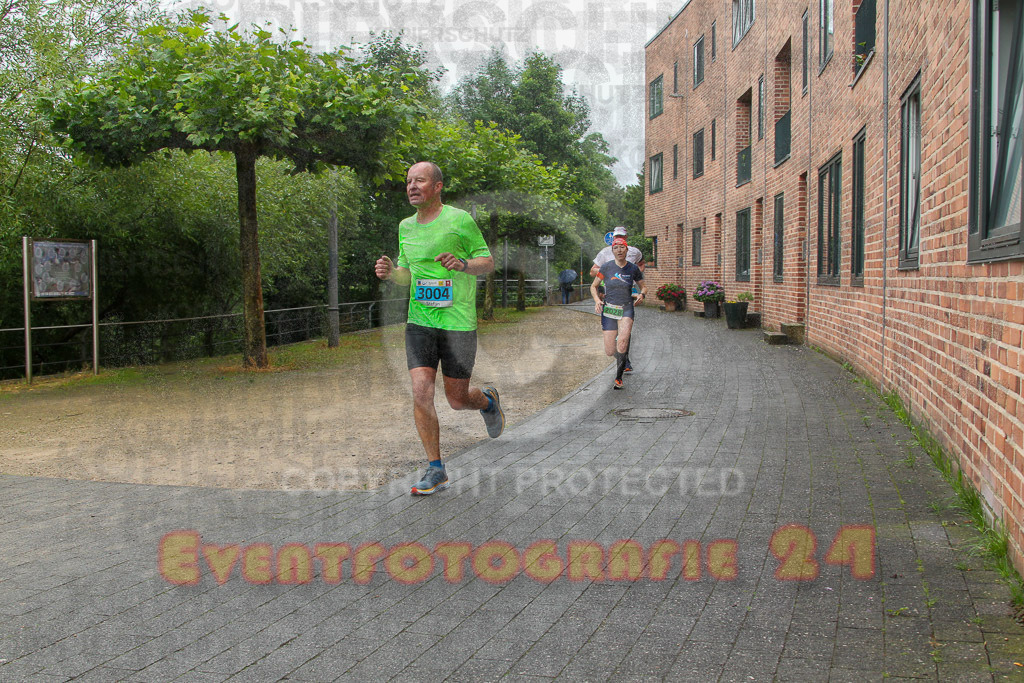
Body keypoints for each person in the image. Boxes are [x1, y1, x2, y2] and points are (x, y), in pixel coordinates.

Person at [375, 161, 505, 495]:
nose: (411, 186)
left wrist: (462, 264)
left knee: (457, 400)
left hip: (457, 324)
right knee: (420, 390)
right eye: (408, 181)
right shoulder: (405, 227)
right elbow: (408, 274)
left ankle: (488, 402)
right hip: (420, 322)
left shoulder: (459, 220)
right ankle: (436, 469)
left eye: (419, 180)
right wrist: (392, 272)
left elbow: (488, 263)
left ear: (437, 187)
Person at [590, 235, 647, 389]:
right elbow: (593, 286)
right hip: (609, 308)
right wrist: (597, 300)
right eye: (616, 248)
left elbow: (643, 286)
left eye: (622, 247)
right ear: (612, 251)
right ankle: (622, 356)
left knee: (622, 342)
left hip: (627, 307)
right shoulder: (606, 267)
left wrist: (641, 294)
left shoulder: (633, 268)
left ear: (626, 250)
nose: (619, 250)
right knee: (610, 351)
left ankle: (618, 378)